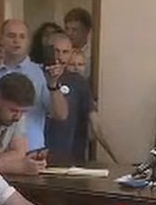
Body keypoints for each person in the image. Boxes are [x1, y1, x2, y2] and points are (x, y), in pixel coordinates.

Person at [0, 19, 68, 152]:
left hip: (31, 150)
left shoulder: (42, 74)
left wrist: (53, 84)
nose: (16, 41)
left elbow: (60, 115)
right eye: (11, 36)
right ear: (1, 39)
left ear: (28, 42)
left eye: (22, 37)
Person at [44, 32, 119, 165]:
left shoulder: (79, 82)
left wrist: (116, 159)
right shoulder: (35, 76)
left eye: (65, 52)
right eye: (56, 51)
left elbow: (95, 123)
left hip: (72, 157)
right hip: (40, 155)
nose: (60, 57)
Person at [64, 8, 93, 78]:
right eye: (67, 29)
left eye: (74, 30)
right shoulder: (61, 54)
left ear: (87, 31)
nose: (69, 33)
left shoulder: (93, 56)